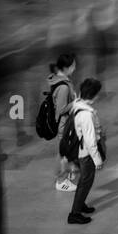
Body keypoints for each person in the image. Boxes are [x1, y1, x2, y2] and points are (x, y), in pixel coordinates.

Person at [67, 77, 105, 225]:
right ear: (93, 95)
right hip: (85, 154)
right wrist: (97, 160)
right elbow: (90, 141)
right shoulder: (86, 115)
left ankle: (80, 204)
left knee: (84, 181)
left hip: (78, 150)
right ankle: (74, 214)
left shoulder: (77, 105)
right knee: (85, 181)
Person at [46, 53, 79, 191]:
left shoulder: (60, 79)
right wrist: (75, 103)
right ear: (66, 67)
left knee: (66, 151)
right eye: (73, 66)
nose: (75, 68)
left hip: (65, 123)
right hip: (64, 125)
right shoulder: (63, 87)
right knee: (63, 153)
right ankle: (61, 181)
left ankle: (69, 169)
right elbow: (61, 110)